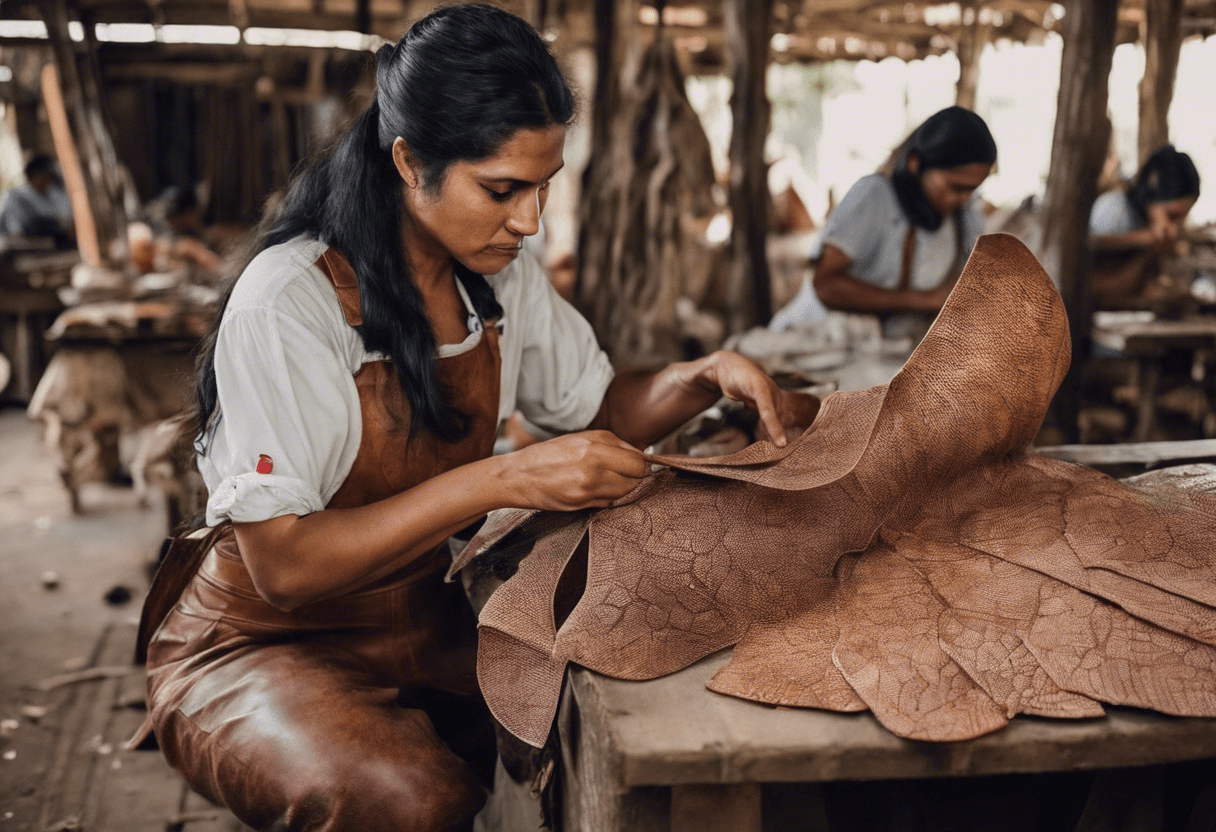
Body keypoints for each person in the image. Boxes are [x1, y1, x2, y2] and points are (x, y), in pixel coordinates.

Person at [134, 6, 787, 832]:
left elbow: (599, 409)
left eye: (544, 186)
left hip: (423, 620)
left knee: (593, 706)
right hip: (262, 644)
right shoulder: (290, 298)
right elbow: (287, 568)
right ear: (409, 160)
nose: (531, 223)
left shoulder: (497, 277)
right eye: (503, 189)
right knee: (415, 802)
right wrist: (507, 476)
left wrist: (701, 378)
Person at [794, 107, 996, 335]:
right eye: (955, 187)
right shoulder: (873, 196)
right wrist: (925, 300)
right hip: (821, 336)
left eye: (973, 189)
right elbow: (825, 285)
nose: (963, 198)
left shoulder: (966, 217)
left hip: (888, 350)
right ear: (915, 163)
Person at [1089, 145, 1200, 308]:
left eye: (1181, 218)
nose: (1174, 228)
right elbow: (1088, 249)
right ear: (1151, 191)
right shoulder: (1113, 210)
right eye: (1172, 216)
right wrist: (1142, 239)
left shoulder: (1150, 225)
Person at [0, 155, 74, 248]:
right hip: (22, 249)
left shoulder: (54, 194)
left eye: (50, 175)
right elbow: (18, 234)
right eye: (44, 175)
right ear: (32, 176)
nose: (48, 179)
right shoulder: (16, 197)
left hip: (51, 246)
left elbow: (67, 222)